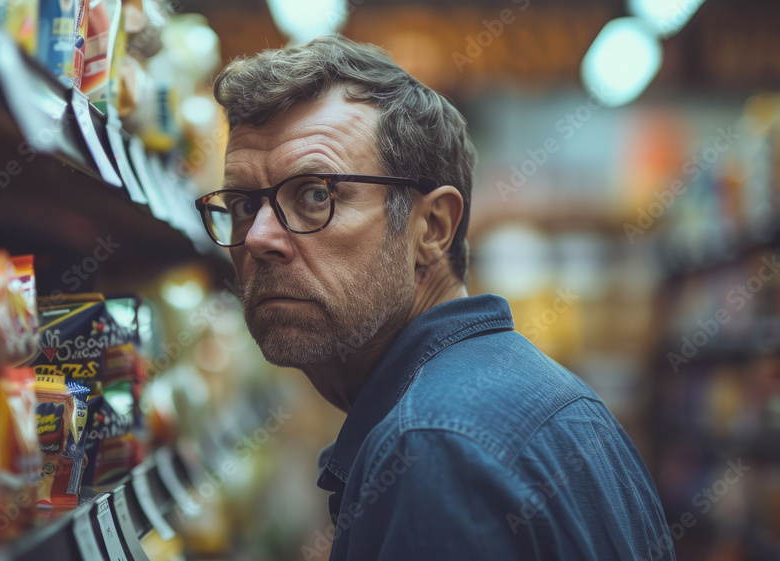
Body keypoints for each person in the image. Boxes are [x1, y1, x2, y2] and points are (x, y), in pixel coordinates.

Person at [195, 36, 675, 561]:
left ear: (432, 228)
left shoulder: (430, 447)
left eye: (315, 195)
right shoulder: (555, 400)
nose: (259, 237)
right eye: (242, 203)